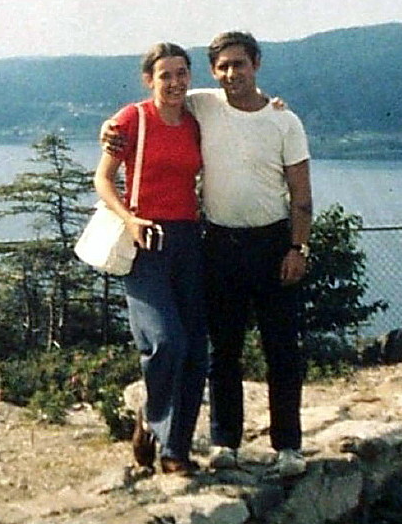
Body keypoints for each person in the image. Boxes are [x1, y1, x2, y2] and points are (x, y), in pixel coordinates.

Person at [102, 31, 312, 478]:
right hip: (182, 242)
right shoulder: (169, 111)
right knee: (190, 347)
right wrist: (109, 136)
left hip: (233, 243)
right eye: (224, 66)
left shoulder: (249, 116)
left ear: (256, 63)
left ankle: (263, 447)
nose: (232, 73)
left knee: (241, 349)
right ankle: (188, 432)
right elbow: (111, 160)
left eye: (240, 64)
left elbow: (299, 191)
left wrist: (298, 245)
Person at [92, 42, 208, 476]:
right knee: (166, 341)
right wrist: (130, 218)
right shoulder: (132, 118)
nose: (175, 82)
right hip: (146, 240)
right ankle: (150, 420)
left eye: (182, 73)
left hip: (189, 240)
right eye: (165, 75)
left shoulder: (196, 122)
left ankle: (176, 450)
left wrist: (274, 104)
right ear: (149, 79)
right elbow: (102, 179)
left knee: (196, 349)